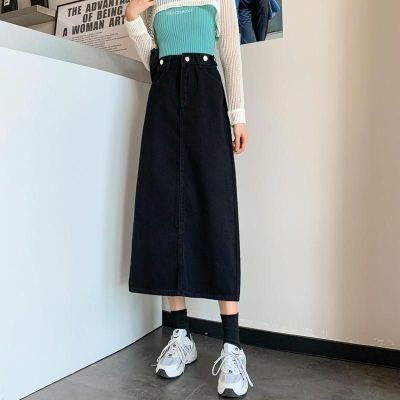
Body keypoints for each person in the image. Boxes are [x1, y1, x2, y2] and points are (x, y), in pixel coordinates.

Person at [124, 0, 252, 397]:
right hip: (164, 99)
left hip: (206, 98)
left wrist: (238, 115)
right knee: (166, 212)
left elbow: (230, 52)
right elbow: (152, 61)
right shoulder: (154, 3)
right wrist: (132, 16)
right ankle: (181, 334)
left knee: (216, 212)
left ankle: (233, 345)